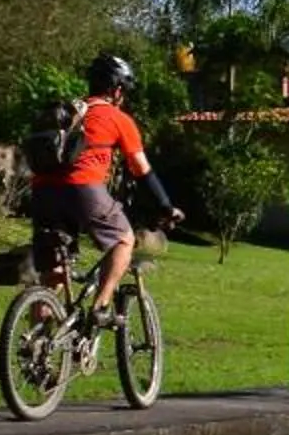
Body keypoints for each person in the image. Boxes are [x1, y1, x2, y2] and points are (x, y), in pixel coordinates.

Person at [31, 54, 182, 329]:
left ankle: (37, 348)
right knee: (124, 239)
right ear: (117, 90)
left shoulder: (69, 112)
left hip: (42, 193)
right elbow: (141, 169)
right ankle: (100, 307)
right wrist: (165, 206)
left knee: (52, 274)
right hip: (83, 189)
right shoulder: (116, 118)